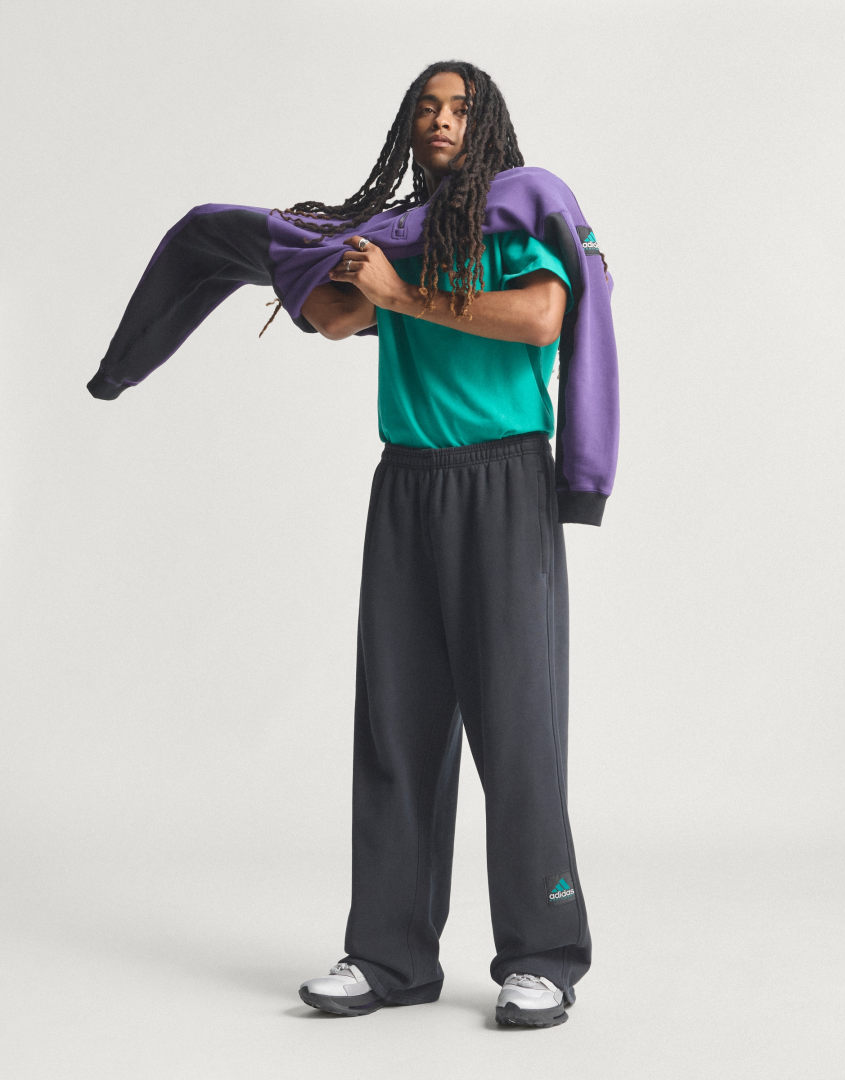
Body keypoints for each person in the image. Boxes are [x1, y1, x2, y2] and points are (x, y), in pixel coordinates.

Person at [289, 61, 606, 1029]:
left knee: (515, 725)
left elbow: (543, 318)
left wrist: (404, 293)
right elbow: (331, 318)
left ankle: (543, 955)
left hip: (501, 479)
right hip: (408, 482)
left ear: (487, 125)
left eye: (460, 108)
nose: (440, 120)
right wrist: (307, 258)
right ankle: (389, 956)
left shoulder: (512, 218)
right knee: (397, 727)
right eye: (426, 107)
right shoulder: (403, 234)